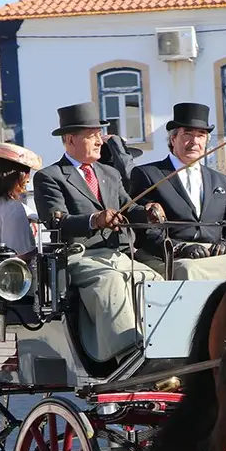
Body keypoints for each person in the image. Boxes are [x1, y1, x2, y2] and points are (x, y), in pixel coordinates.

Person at [32, 102, 165, 364]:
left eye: (99, 135)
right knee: (111, 281)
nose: (100, 142)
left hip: (116, 254)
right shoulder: (50, 177)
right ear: (70, 139)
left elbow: (130, 206)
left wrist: (148, 211)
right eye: (92, 136)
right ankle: (126, 356)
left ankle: (163, 349)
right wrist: (95, 220)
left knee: (153, 279)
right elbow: (56, 221)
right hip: (78, 257)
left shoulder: (109, 173)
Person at [127, 102, 226, 281]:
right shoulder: (148, 174)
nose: (194, 142)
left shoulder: (219, 180)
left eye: (201, 135)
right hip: (169, 255)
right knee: (190, 269)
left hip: (214, 253)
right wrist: (180, 248)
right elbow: (146, 230)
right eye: (187, 134)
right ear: (173, 139)